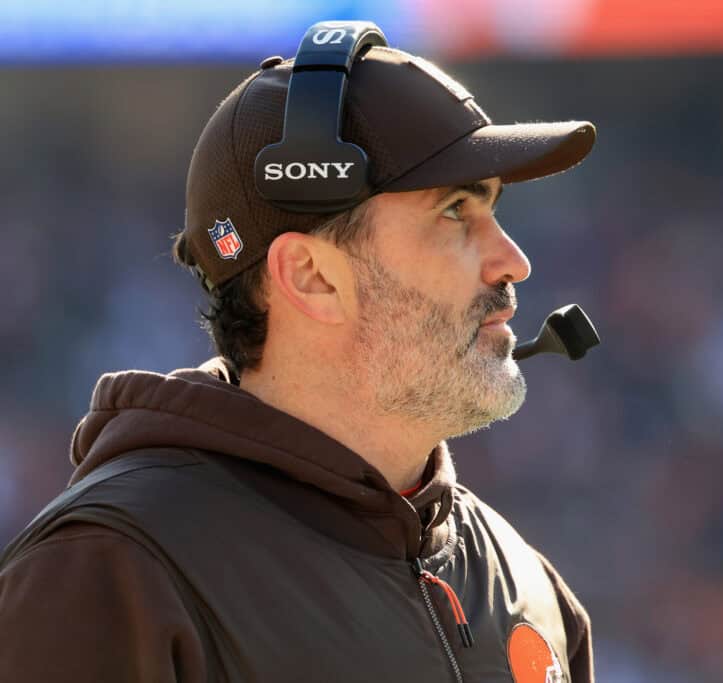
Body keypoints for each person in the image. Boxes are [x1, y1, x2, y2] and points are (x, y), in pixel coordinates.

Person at [0, 23, 596, 683]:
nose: (513, 260)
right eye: (455, 210)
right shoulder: (113, 575)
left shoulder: (529, 585)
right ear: (311, 276)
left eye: (493, 208)